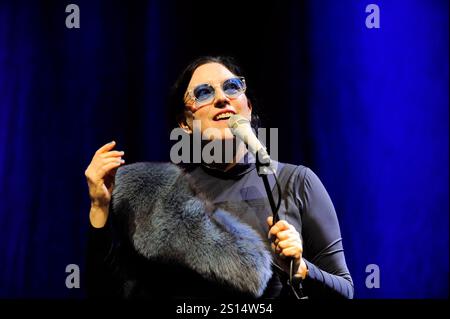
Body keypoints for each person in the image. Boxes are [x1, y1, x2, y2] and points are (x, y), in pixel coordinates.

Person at [85, 56, 354, 299]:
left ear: (247, 107)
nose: (221, 98)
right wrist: (100, 207)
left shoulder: (297, 182)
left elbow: (345, 291)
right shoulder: (163, 196)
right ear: (184, 123)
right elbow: (104, 291)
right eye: (203, 93)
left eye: (232, 87)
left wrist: (303, 270)